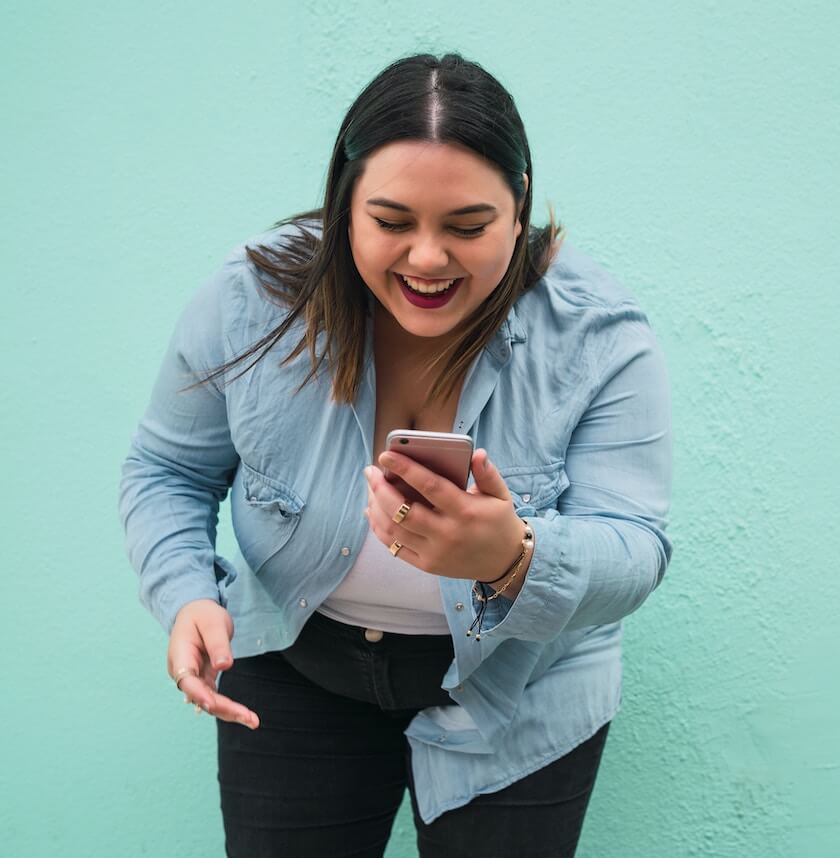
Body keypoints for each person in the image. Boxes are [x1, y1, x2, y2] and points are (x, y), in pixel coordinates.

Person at [118, 53, 672, 857]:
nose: (426, 259)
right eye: (391, 221)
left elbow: (637, 546)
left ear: (519, 212)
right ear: (345, 208)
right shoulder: (248, 299)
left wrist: (513, 558)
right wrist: (186, 596)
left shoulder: (600, 335)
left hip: (519, 686)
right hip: (291, 662)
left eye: (467, 227)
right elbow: (167, 470)